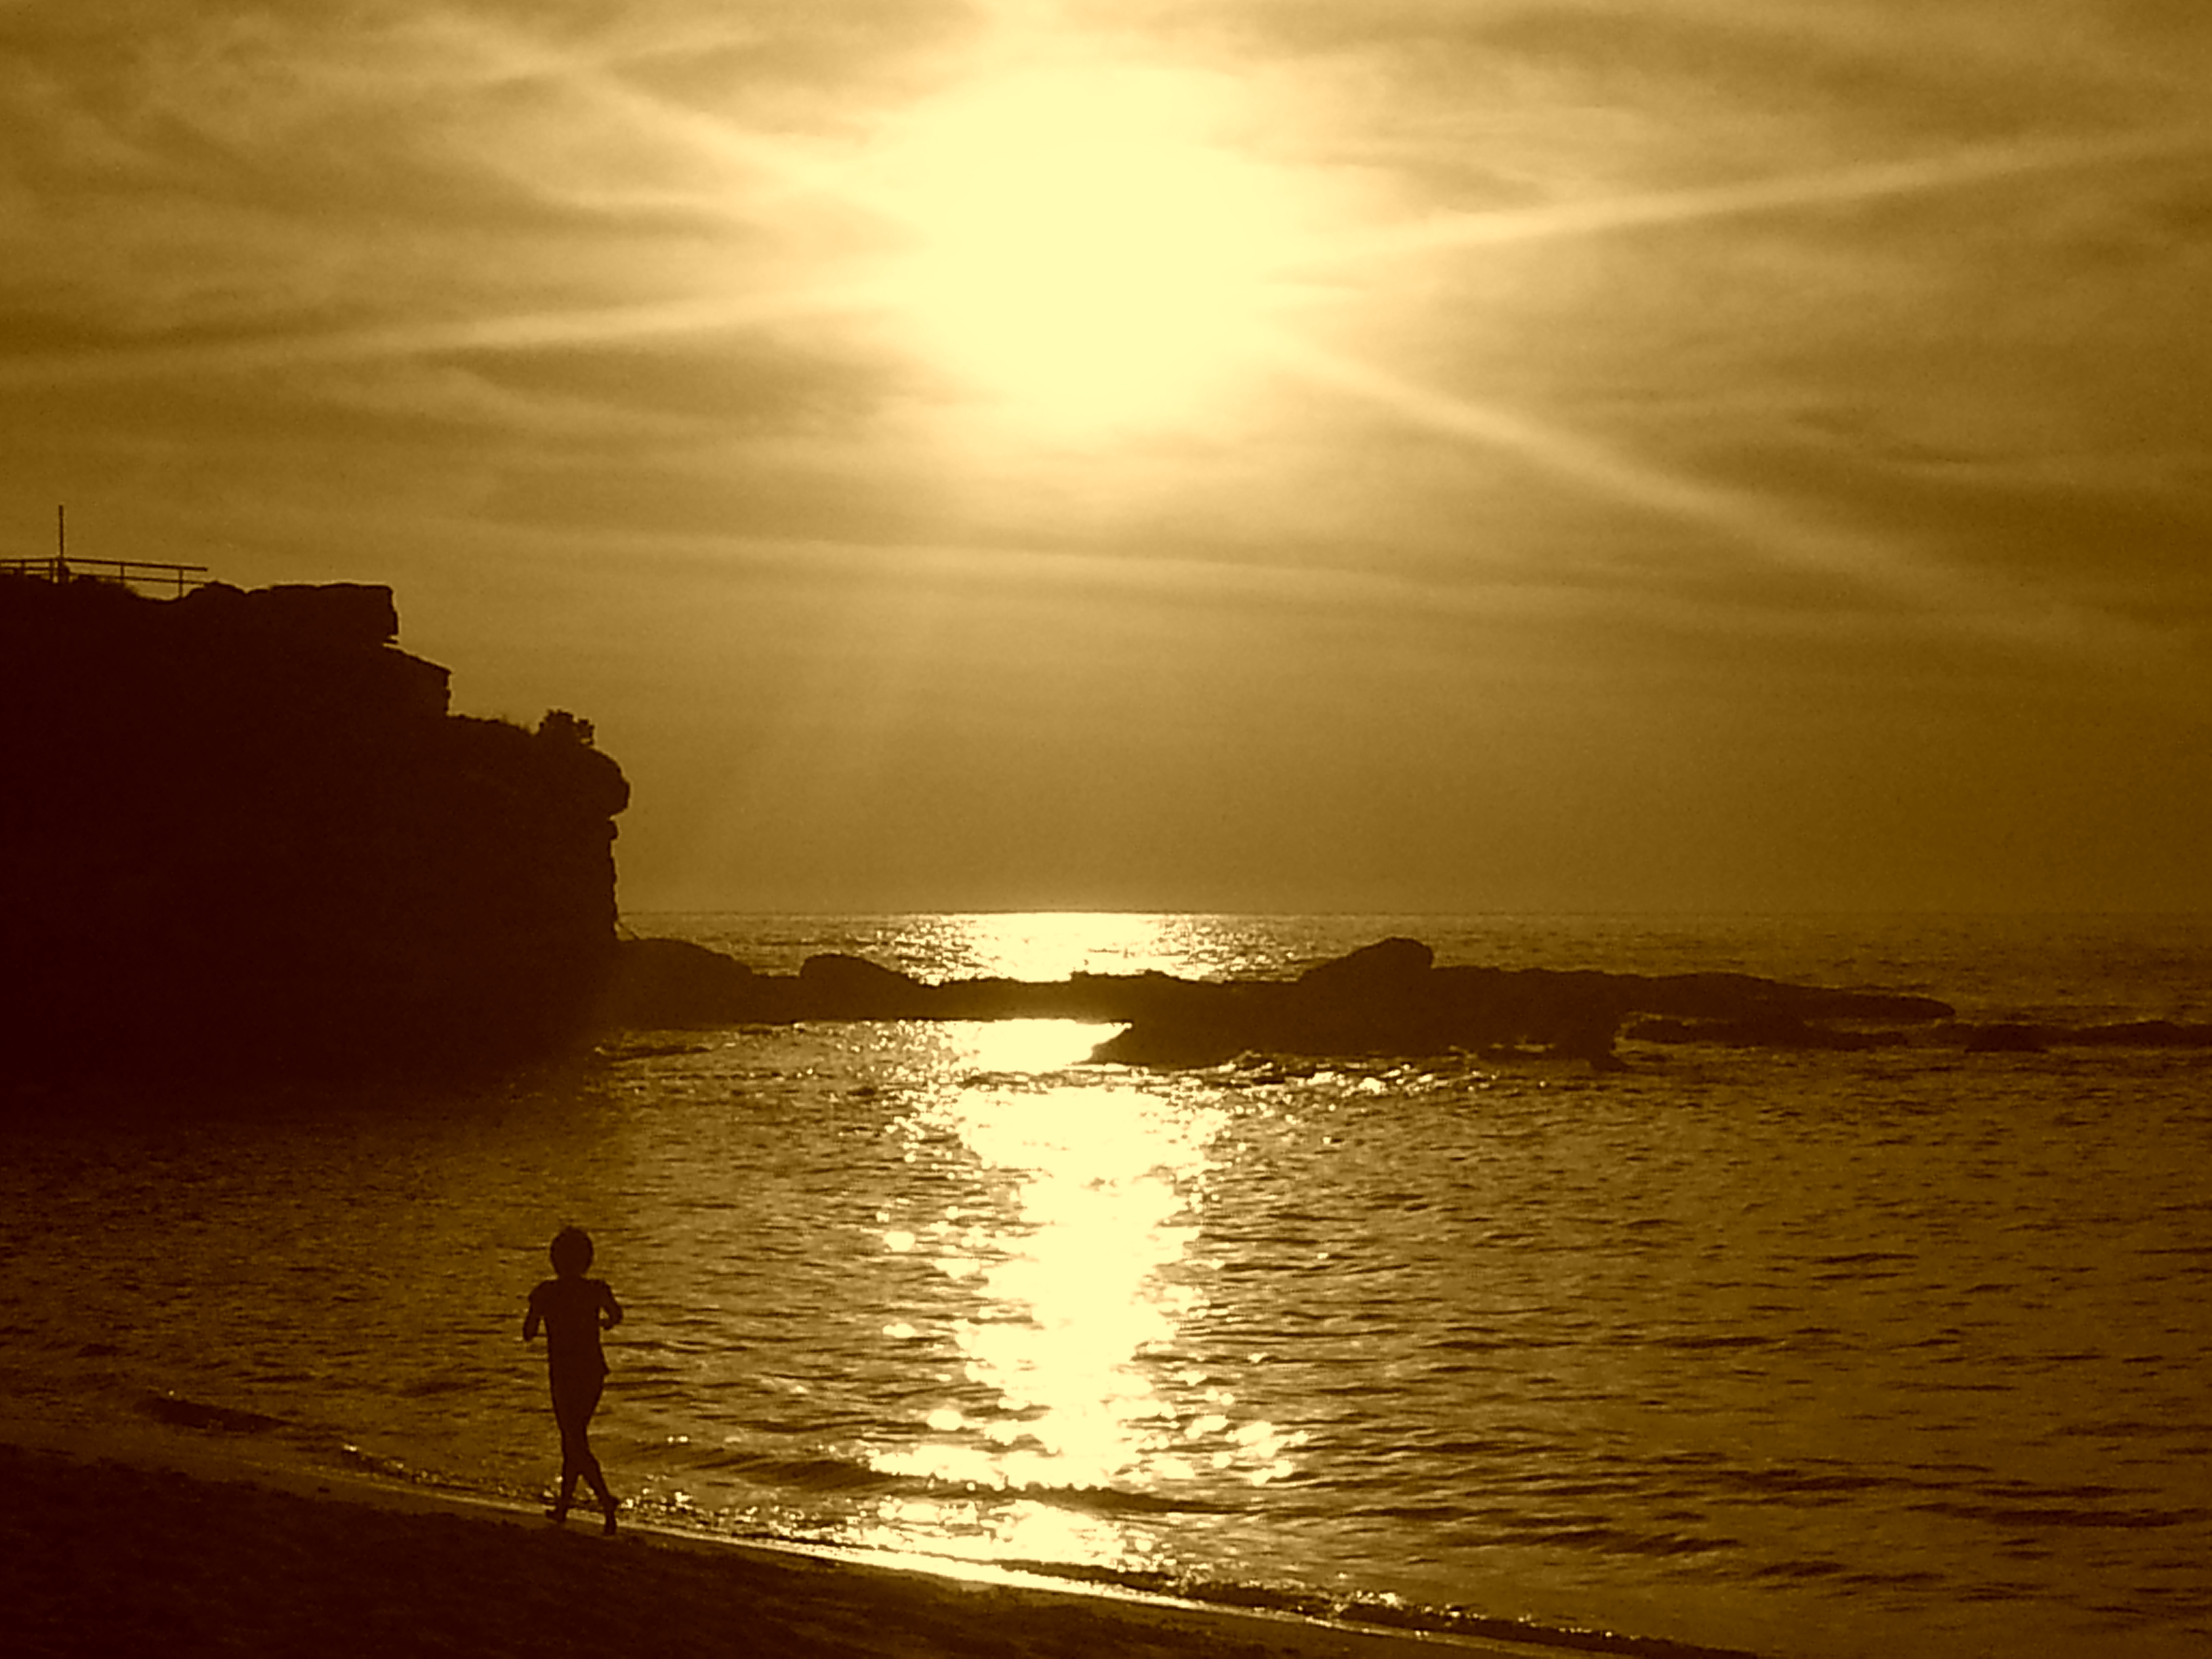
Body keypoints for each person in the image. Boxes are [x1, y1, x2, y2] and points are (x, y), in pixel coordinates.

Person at [523, 1225, 623, 1534]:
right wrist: (604, 1323)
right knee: (573, 1439)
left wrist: (541, 1316)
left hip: (564, 1374)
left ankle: (606, 1501)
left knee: (573, 1439)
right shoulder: (597, 1290)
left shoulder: (545, 1293)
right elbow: (616, 1315)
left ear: (554, 1259)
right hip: (593, 1372)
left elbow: (528, 1333)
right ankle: (564, 1507)